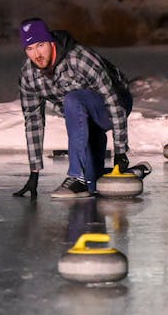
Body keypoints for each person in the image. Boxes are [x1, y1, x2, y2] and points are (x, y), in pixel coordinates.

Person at [12, 17, 136, 199]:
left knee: (72, 99)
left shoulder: (79, 59)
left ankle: (77, 176)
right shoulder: (28, 76)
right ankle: (115, 174)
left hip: (113, 106)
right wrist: (34, 171)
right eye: (30, 49)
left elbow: (113, 101)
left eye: (40, 45)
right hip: (83, 118)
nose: (36, 54)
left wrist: (120, 151)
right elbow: (33, 122)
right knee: (92, 183)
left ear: (51, 42)